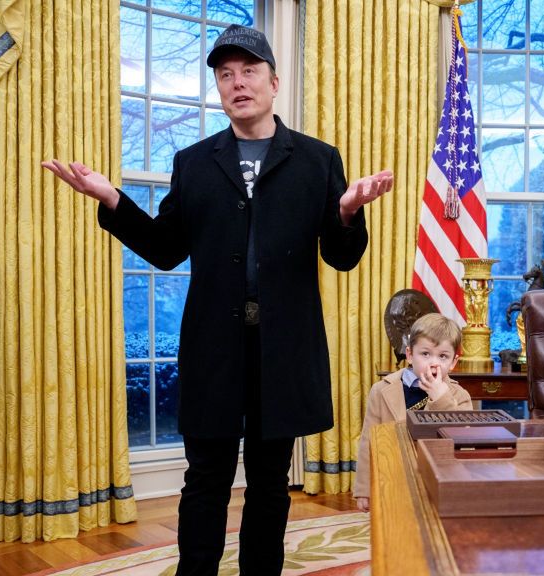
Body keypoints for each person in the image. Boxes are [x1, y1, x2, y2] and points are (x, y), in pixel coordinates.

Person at [42, 25, 393, 576]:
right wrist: (111, 198)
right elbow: (163, 249)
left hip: (284, 349)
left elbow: (342, 257)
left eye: (248, 71)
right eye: (225, 75)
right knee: (205, 476)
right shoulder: (194, 162)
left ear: (274, 82)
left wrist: (348, 211)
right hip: (214, 347)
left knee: (270, 481)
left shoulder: (318, 161)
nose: (237, 83)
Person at [353, 313, 472, 512]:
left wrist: (441, 398)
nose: (433, 363)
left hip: (436, 484)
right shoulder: (381, 390)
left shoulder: (460, 396)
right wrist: (364, 488)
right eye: (425, 354)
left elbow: (461, 443)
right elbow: (368, 442)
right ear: (409, 354)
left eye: (442, 356)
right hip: (392, 481)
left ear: (453, 362)